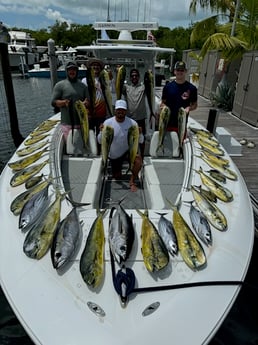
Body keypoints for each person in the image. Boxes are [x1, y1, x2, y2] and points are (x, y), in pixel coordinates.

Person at [97, 99, 143, 192]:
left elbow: (141, 141)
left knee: (138, 160)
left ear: (126, 111)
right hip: (114, 155)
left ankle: (132, 181)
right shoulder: (107, 123)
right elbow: (99, 141)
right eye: (118, 110)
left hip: (128, 152)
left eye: (122, 110)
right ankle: (116, 170)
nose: (120, 112)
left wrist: (140, 133)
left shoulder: (133, 123)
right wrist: (101, 132)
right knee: (117, 177)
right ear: (115, 110)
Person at [51, 60, 89, 142]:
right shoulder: (60, 85)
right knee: (70, 147)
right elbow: (53, 102)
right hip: (67, 124)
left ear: (77, 71)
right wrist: (63, 103)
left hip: (82, 124)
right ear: (66, 71)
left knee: (81, 145)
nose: (72, 71)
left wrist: (86, 103)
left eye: (74, 69)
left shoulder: (83, 86)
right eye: (69, 70)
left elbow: (88, 102)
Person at [123, 68, 154, 157]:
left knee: (141, 138)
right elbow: (115, 86)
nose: (134, 77)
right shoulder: (126, 87)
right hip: (129, 119)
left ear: (139, 77)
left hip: (140, 118)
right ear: (130, 78)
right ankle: (130, 155)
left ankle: (142, 156)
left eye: (136, 75)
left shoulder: (143, 87)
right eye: (132, 76)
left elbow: (150, 84)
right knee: (130, 138)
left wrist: (150, 75)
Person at [161, 61, 198, 132]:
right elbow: (162, 103)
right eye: (178, 70)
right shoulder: (167, 87)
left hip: (182, 124)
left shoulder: (192, 88)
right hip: (167, 123)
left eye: (182, 70)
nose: (180, 72)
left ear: (185, 71)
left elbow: (195, 105)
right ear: (174, 71)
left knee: (180, 142)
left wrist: (189, 108)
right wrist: (163, 107)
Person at [81, 58, 107, 143]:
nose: (95, 67)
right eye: (93, 65)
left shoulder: (104, 79)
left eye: (97, 65)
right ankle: (91, 151)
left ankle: (100, 150)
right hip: (89, 112)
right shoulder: (85, 80)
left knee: (101, 133)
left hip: (101, 112)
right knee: (90, 132)